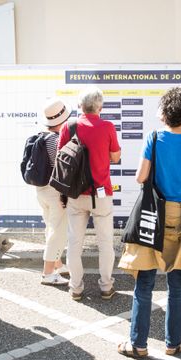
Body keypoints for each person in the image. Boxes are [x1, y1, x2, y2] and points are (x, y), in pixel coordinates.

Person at [117, 87, 181, 358]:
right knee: (177, 283)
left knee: (144, 281)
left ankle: (138, 344)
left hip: (153, 214)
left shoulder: (154, 138)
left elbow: (140, 177)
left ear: (165, 112)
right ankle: (173, 343)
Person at [58, 86, 121, 301]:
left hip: (76, 193)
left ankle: (76, 288)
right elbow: (115, 157)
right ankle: (105, 286)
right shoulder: (107, 127)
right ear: (100, 106)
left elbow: (61, 157)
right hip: (102, 193)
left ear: (79, 106)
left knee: (75, 242)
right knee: (105, 243)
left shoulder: (69, 126)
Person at [36, 98, 71, 286]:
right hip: (55, 191)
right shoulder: (58, 140)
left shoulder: (41, 136)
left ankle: (57, 264)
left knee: (50, 227)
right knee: (57, 231)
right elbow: (62, 168)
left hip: (40, 190)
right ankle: (48, 273)